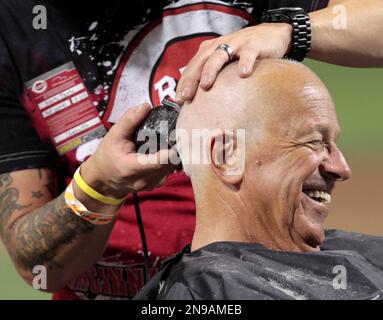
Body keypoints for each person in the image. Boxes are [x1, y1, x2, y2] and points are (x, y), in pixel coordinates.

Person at [0, 0, 382, 300]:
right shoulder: (16, 25)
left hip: (254, 280)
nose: (342, 168)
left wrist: (292, 30)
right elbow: (39, 267)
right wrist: (99, 186)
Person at [134, 59, 383, 300]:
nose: (342, 168)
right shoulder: (202, 293)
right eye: (314, 142)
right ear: (227, 156)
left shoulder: (357, 254)